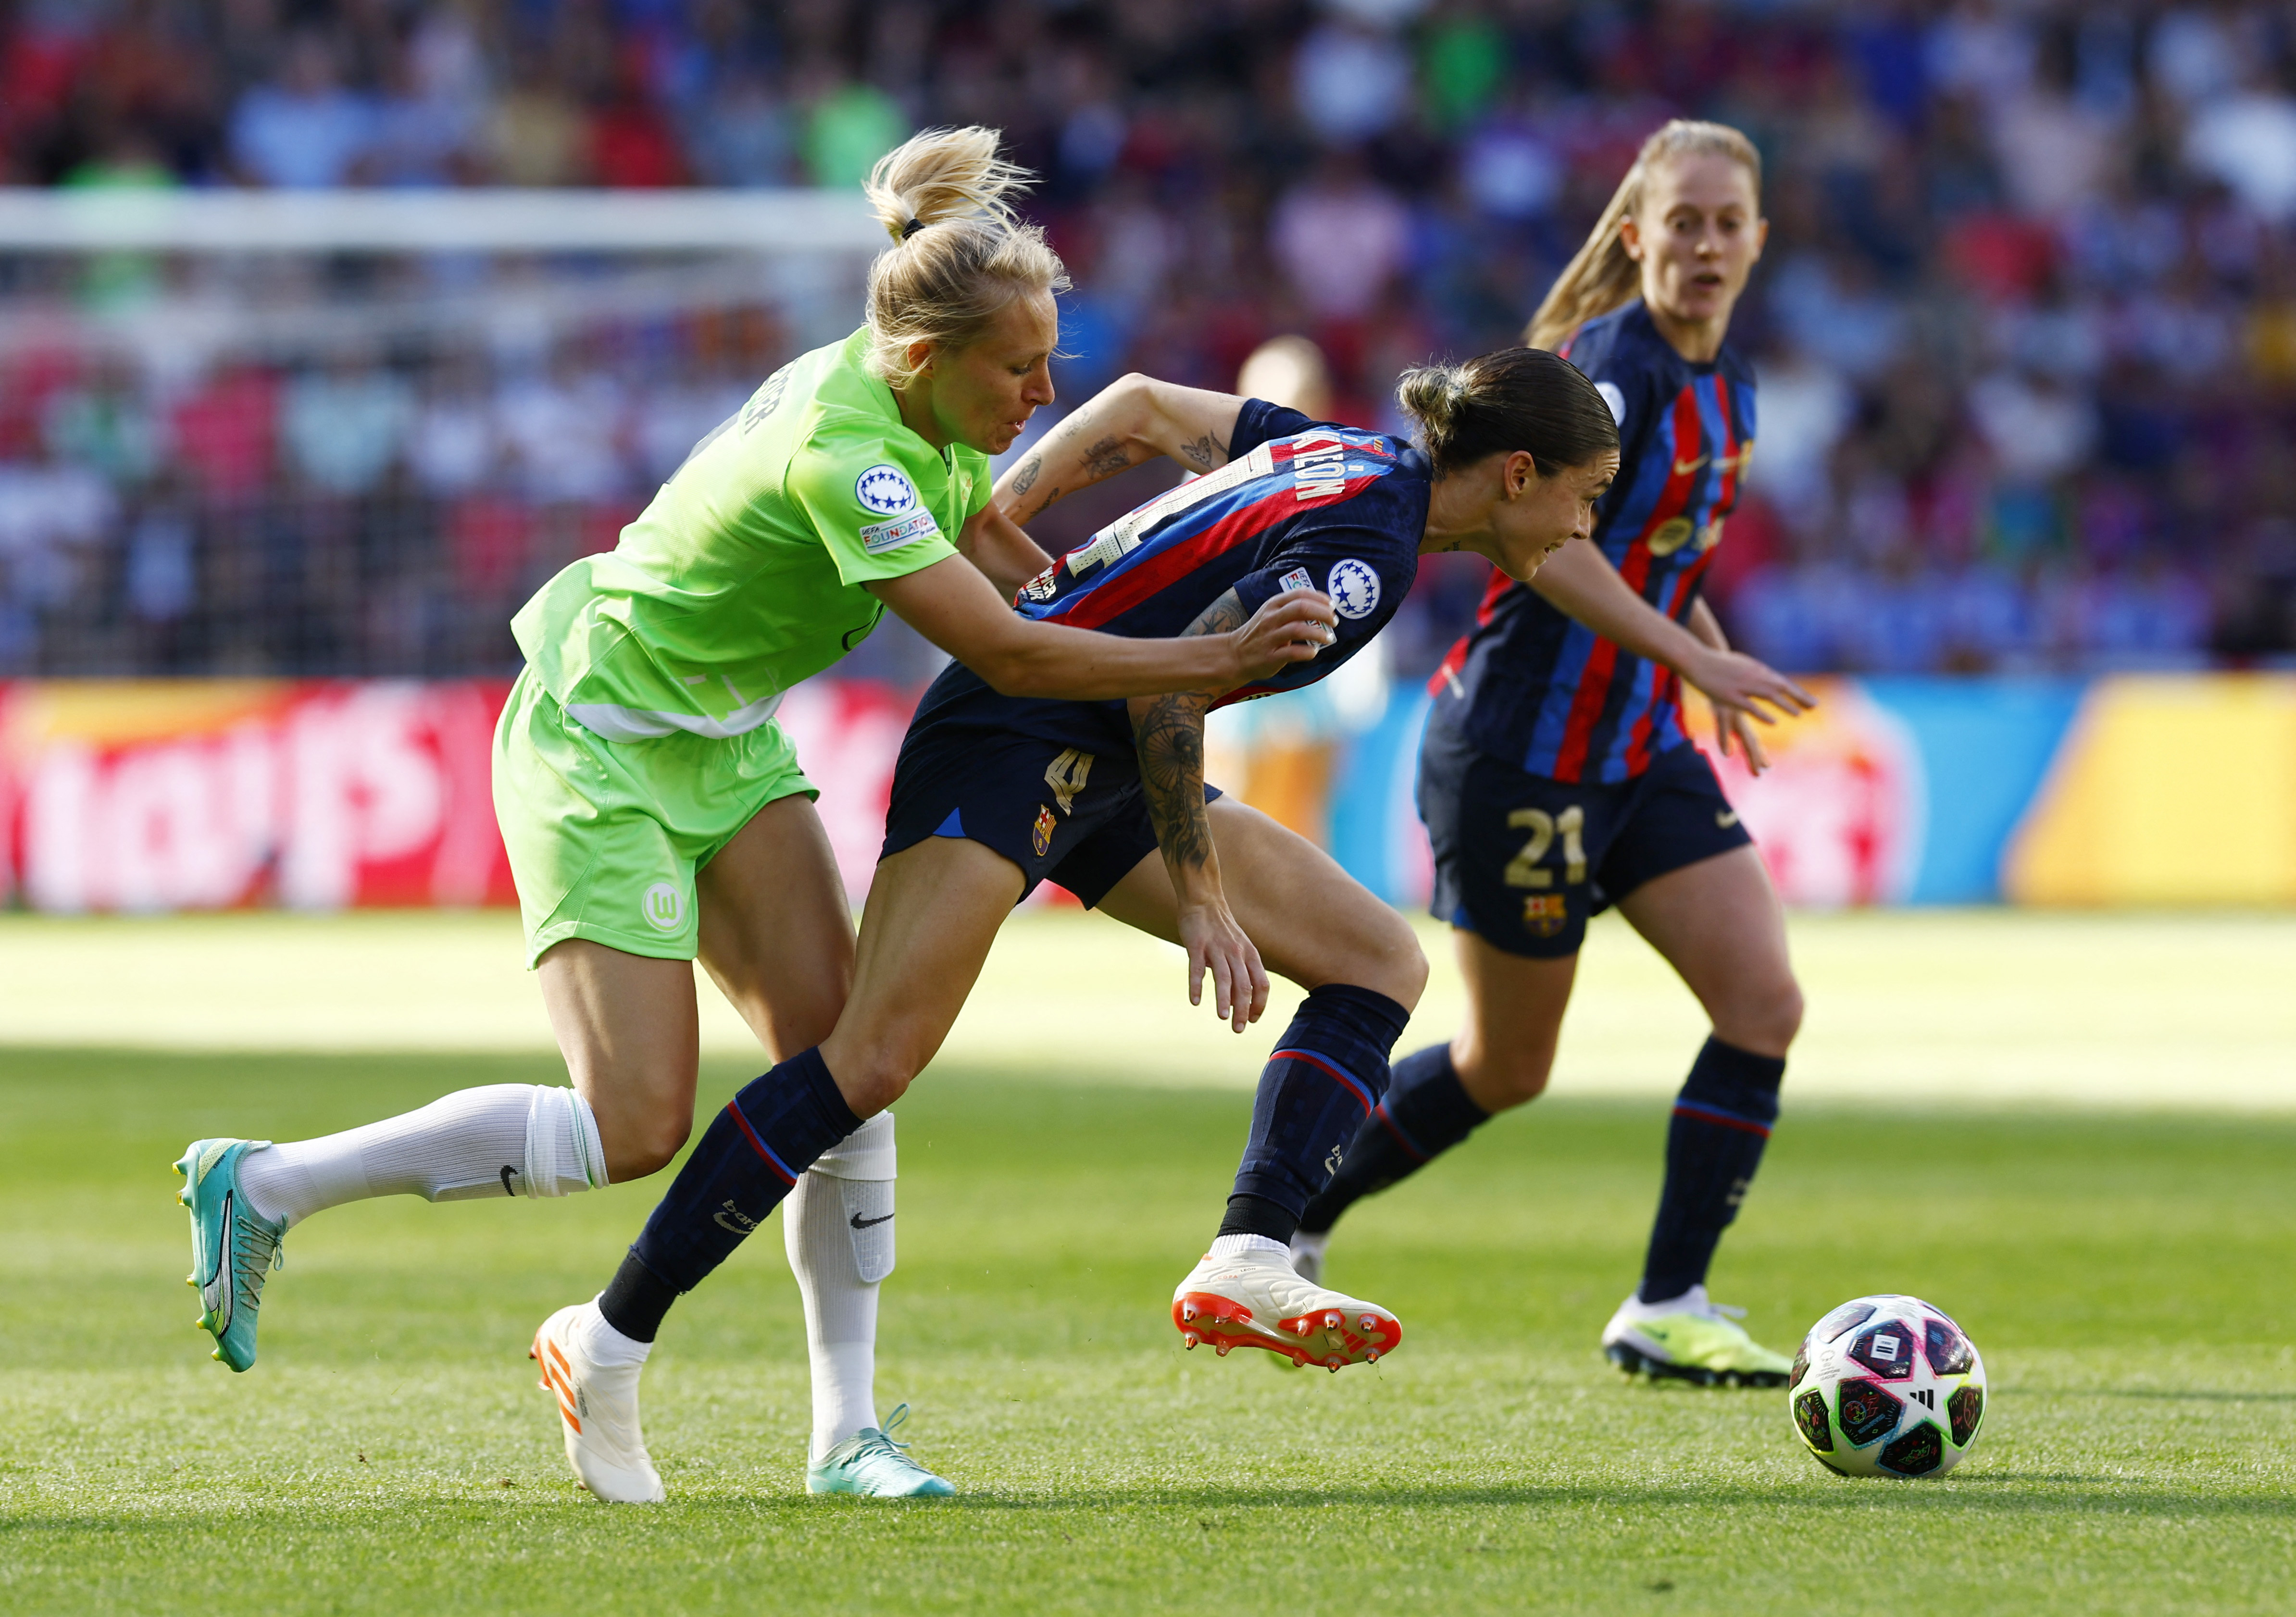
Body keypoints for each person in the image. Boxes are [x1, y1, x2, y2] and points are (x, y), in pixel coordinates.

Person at [171, 127, 1336, 1501]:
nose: (1042, 395)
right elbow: (1016, 653)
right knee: (634, 1125)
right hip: (597, 736)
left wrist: (1192, 593)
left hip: (718, 739)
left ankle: (847, 1435)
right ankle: (266, 1186)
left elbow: (1050, 596)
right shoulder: (855, 457)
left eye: (1050, 365)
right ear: (927, 357)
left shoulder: (929, 421)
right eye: (1019, 368)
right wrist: (1218, 658)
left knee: (844, 1062)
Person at [533, 346, 1622, 1500]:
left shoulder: (1333, 448)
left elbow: (1146, 408)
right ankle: (608, 1338)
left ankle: (1252, 1250)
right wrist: (1203, 898)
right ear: (1516, 474)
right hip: (1013, 738)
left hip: (1100, 746)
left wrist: (1012, 514)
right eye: (1584, 494)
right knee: (867, 1062)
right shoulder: (1367, 554)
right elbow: (1167, 685)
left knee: (1376, 959)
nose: (1584, 523)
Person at [1287, 120, 1819, 1388]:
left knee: (1764, 1003)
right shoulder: (1603, 372)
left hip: (1636, 752)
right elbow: (1550, 548)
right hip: (1522, 751)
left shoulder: (1734, 388)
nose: (1701, 243)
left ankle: (1669, 1300)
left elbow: (1656, 557)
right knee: (1506, 1065)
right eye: (1679, 221)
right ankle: (1288, 1217)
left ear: (1757, 239)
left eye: (1723, 223)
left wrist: (1706, 649)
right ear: (1635, 235)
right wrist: (1695, 660)